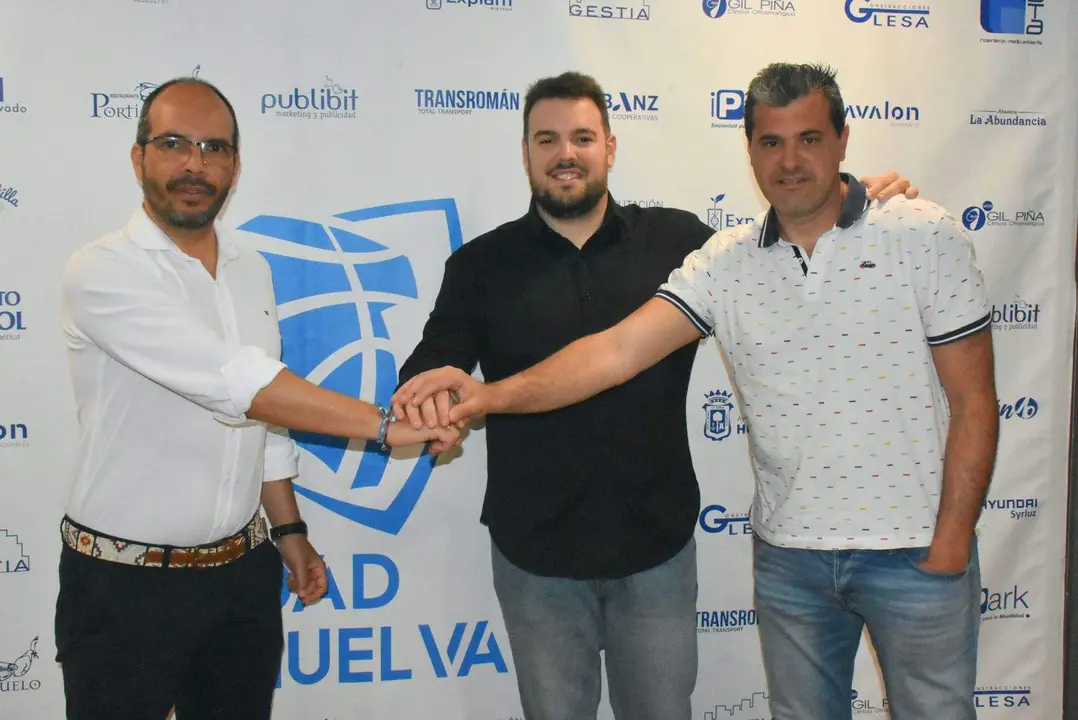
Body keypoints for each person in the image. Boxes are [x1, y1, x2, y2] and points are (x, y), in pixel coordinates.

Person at [396, 63, 998, 720]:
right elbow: (607, 354)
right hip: (699, 557)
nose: (790, 160)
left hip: (821, 552)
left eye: (809, 139)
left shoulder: (892, 234)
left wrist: (952, 539)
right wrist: (464, 399)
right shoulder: (710, 260)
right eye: (771, 142)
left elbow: (973, 399)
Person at [55, 76, 459, 720]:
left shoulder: (251, 266)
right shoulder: (103, 270)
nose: (195, 164)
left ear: (235, 167)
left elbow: (264, 420)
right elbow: (236, 383)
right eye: (174, 144)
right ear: (138, 158)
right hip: (124, 585)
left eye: (214, 148)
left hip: (241, 575)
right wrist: (383, 425)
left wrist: (289, 530)